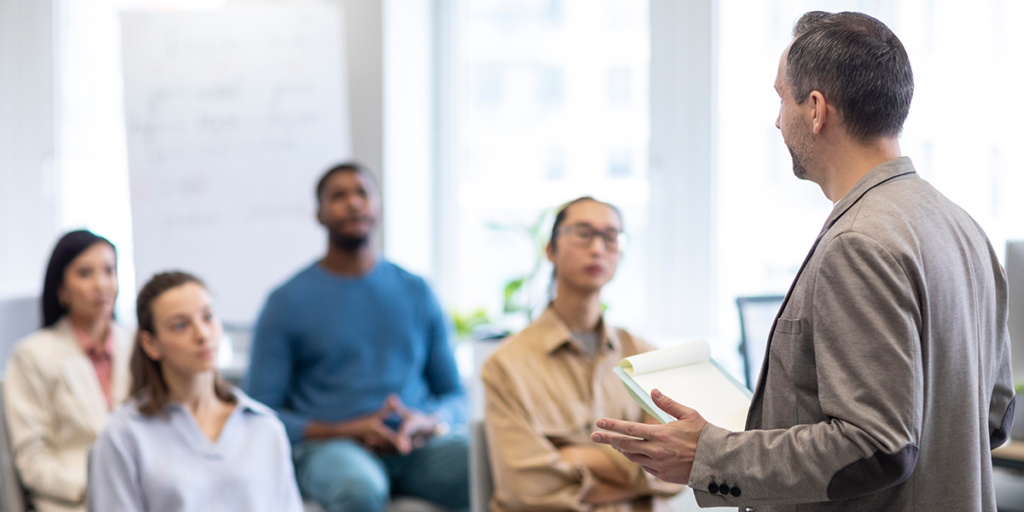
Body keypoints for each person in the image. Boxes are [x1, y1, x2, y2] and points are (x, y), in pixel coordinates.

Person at [592, 11, 1014, 512]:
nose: (777, 120)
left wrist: (709, 455)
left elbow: (876, 446)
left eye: (780, 98)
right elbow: (995, 417)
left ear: (816, 109)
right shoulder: (963, 228)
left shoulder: (859, 243)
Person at [245, 162, 469, 512]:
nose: (353, 203)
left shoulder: (417, 291)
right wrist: (348, 429)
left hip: (415, 446)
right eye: (339, 196)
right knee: (358, 489)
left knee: (485, 461)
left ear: (378, 206)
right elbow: (261, 414)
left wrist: (429, 422)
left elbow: (455, 394)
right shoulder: (286, 302)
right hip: (334, 449)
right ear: (319, 214)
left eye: (362, 193)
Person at [482, 197, 683, 512]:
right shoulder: (506, 365)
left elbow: (677, 470)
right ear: (550, 250)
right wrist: (640, 477)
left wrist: (576, 457)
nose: (598, 248)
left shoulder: (645, 356)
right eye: (583, 233)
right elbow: (527, 490)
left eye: (611, 237)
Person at [89, 271, 303, 511]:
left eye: (208, 317)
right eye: (180, 325)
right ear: (151, 344)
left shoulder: (264, 427)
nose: (202, 334)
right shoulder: (124, 434)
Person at [3, 230, 132, 512]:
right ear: (61, 289)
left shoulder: (139, 347)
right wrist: (95, 489)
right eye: (85, 274)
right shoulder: (31, 355)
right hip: (73, 501)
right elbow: (32, 461)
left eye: (109, 271)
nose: (101, 284)